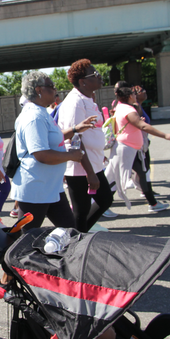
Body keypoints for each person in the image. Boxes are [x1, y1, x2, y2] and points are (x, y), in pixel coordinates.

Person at [11, 72, 92, 232]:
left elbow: (51, 139)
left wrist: (75, 129)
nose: (56, 90)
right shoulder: (34, 117)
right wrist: (72, 156)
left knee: (70, 232)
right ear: (39, 90)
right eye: (51, 87)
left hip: (50, 187)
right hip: (36, 190)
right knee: (25, 240)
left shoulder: (41, 113)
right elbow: (41, 154)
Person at [57, 59, 115, 233]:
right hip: (80, 166)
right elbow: (74, 138)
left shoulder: (87, 99)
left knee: (104, 200)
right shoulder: (74, 102)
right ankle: (74, 242)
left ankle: (77, 237)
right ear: (83, 82)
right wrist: (90, 173)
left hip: (93, 162)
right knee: (81, 211)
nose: (99, 76)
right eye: (94, 74)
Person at [104, 82, 170, 213]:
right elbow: (142, 126)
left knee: (138, 175)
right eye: (133, 93)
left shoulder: (121, 107)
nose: (135, 95)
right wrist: (165, 135)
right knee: (115, 178)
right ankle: (101, 205)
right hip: (126, 149)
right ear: (129, 96)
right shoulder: (128, 109)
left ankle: (153, 203)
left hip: (129, 149)